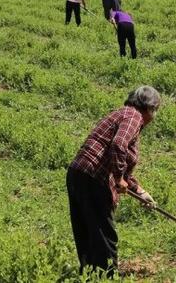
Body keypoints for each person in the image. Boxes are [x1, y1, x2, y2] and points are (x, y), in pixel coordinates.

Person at [66, 86, 160, 277]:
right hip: (93, 179)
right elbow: (118, 145)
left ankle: (90, 276)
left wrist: (140, 192)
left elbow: (121, 162)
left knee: (86, 231)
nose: (154, 117)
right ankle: (108, 277)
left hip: (78, 174)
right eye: (155, 110)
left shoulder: (122, 114)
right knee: (103, 235)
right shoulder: (134, 116)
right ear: (149, 108)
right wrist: (118, 179)